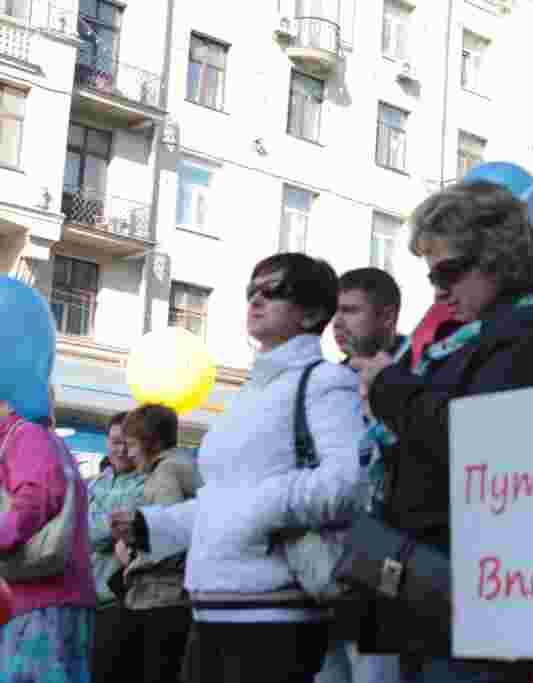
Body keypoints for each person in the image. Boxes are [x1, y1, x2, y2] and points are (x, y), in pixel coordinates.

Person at [352, 180, 533, 683]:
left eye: (449, 272)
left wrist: (388, 387)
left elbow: (474, 440)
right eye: (432, 276)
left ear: (498, 256)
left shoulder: (532, 332)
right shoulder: (476, 335)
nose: (439, 290)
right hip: (437, 591)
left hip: (476, 594)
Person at [112, 252, 365, 683]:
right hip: (210, 608)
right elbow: (222, 501)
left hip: (275, 614)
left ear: (312, 313)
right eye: (252, 290)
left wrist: (261, 506)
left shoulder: (324, 382)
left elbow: (348, 483)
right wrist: (151, 526)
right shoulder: (250, 394)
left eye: (274, 291)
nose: (256, 300)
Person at [318, 267, 405, 683]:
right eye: (335, 312)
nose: (337, 322)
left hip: (389, 563)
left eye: (351, 311)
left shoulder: (416, 373)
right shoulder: (326, 382)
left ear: (387, 316)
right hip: (325, 566)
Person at [0, 403, 97, 680]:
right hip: (42, 601)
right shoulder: (28, 436)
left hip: (40, 603)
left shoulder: (26, 435)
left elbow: (33, 501)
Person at [115, 403, 200, 683]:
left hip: (162, 598)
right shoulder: (180, 466)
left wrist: (131, 551)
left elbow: (169, 536)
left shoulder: (166, 472)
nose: (128, 452)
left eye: (131, 444)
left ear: (150, 441)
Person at [89, 411, 146, 680]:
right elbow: (76, 530)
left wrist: (95, 526)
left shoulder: (146, 482)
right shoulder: (94, 483)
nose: (121, 450)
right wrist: (109, 526)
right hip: (83, 600)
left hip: (118, 601)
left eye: (126, 442)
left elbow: (126, 527)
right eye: (115, 442)